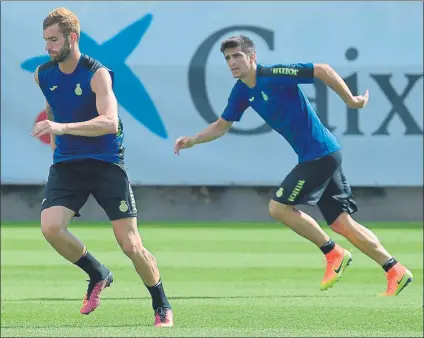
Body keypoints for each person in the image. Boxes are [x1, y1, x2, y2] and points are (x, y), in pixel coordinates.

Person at [174, 35, 413, 296]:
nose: (232, 62)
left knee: (278, 208)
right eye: (228, 58)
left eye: (237, 56)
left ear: (252, 57)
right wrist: (193, 140)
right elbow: (222, 125)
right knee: (342, 223)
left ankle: (333, 252)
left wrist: (350, 100)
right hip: (322, 154)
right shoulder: (242, 91)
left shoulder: (273, 74)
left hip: (319, 155)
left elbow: (322, 69)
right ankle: (394, 270)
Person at [32, 8, 173, 326]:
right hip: (67, 165)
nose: (48, 47)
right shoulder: (43, 74)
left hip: (106, 164)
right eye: (45, 41)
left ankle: (161, 304)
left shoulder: (97, 73)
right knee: (51, 227)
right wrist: (55, 138)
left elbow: (109, 123)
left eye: (54, 40)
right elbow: (52, 106)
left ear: (73, 37)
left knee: (131, 245)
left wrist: (62, 128)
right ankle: (98, 274)